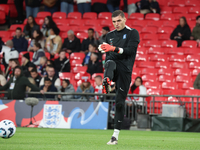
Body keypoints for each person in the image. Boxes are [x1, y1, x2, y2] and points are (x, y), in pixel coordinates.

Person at [98, 10, 139, 145]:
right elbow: (109, 56)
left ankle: (115, 136)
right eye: (114, 22)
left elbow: (130, 51)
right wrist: (106, 50)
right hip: (113, 68)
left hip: (125, 70)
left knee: (120, 102)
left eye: (119, 21)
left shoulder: (133, 33)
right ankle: (107, 81)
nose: (116, 24)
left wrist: (113, 48)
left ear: (124, 19)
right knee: (109, 62)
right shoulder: (109, 35)